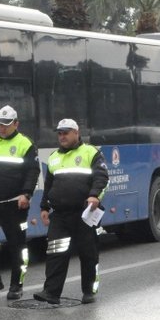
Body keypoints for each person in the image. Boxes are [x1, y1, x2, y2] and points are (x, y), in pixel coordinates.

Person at [33, 118, 109, 305]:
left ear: (76, 133)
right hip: (59, 215)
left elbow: (102, 177)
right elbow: (49, 185)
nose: (62, 136)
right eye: (59, 133)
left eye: (66, 132)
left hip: (84, 213)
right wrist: (44, 207)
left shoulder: (91, 152)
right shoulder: (53, 157)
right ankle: (51, 292)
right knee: (55, 252)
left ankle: (89, 290)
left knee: (88, 254)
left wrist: (94, 196)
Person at [0, 105, 40, 300]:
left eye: (7, 124)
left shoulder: (25, 144)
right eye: (0, 124)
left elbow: (32, 172)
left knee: (17, 246)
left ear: (16, 124)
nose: (2, 128)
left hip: (14, 206)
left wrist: (26, 194)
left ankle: (16, 285)